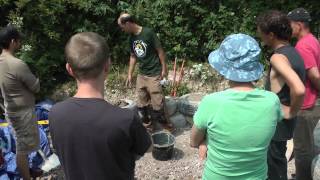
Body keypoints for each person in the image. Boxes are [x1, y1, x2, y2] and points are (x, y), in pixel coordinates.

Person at [49, 32, 152, 180]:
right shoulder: (125, 119)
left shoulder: (55, 113)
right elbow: (148, 147)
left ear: (69, 69)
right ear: (107, 66)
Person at [190, 33, 283, 179]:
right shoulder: (272, 102)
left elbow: (193, 141)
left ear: (224, 68)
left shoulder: (211, 102)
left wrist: (205, 141)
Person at [256, 10, 306, 180]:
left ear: (271, 34)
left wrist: (291, 110)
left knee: (274, 169)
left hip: (276, 124)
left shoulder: (278, 58)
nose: (260, 36)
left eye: (261, 33)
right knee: (277, 164)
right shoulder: (294, 53)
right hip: (283, 125)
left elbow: (299, 89)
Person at [117, 13, 172, 131]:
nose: (122, 30)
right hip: (142, 74)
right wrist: (130, 74)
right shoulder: (131, 38)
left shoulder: (148, 33)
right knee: (142, 105)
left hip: (154, 73)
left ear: (127, 23)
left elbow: (160, 51)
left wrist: (164, 68)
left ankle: (167, 128)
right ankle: (148, 128)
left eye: (122, 27)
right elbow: (133, 56)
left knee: (158, 104)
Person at [0, 25, 40, 180]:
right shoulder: (16, 64)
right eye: (18, 40)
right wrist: (38, 78)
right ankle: (27, 177)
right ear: (12, 42)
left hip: (10, 110)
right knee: (22, 149)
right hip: (22, 112)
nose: (20, 43)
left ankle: (28, 171)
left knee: (22, 144)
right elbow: (35, 87)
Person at [287, 8, 320, 180]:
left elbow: (314, 74)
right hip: (313, 102)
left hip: (306, 105)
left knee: (302, 148)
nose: (288, 28)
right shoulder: (313, 40)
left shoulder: (303, 45)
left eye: (290, 25)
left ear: (299, 25)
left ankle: (303, 177)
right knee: (310, 144)